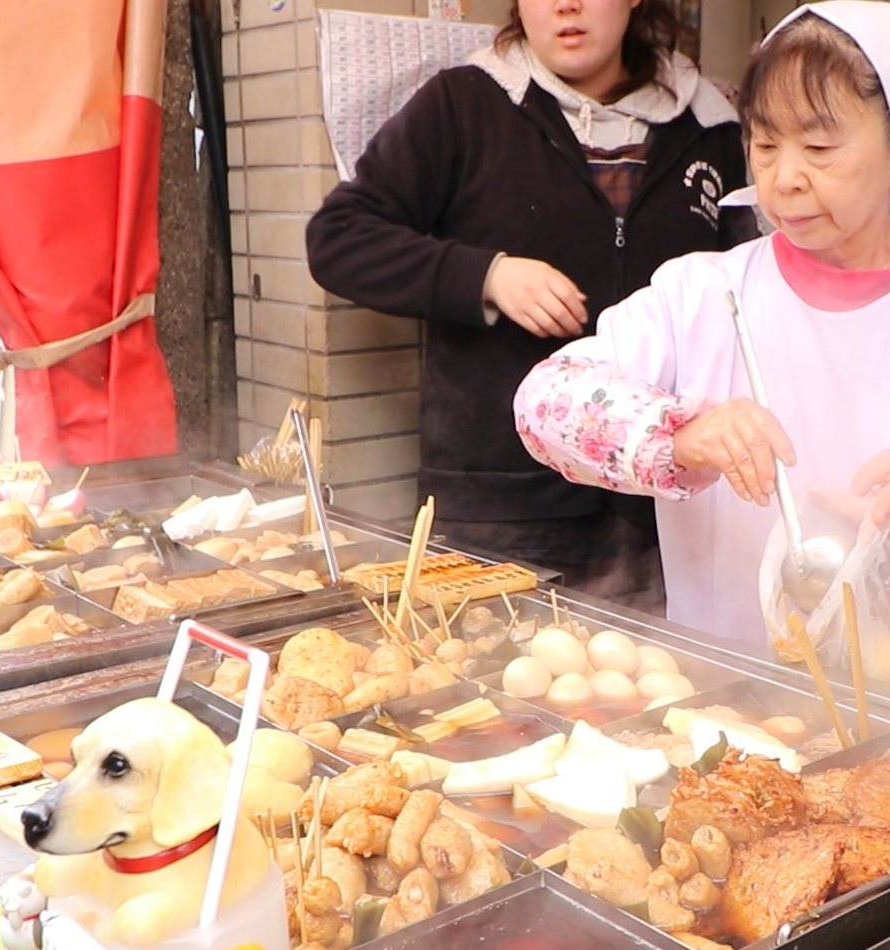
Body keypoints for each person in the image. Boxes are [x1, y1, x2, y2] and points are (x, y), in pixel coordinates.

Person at [513, 0, 890, 694]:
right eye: (766, 144)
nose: (785, 177)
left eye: (820, 147)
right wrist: (680, 435)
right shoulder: (703, 291)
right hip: (728, 697)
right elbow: (543, 402)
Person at [306, 0, 758, 613]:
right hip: (498, 506)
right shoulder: (463, 104)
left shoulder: (710, 127)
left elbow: (747, 298)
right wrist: (486, 276)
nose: (566, 5)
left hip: (664, 506)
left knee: (658, 673)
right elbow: (339, 237)